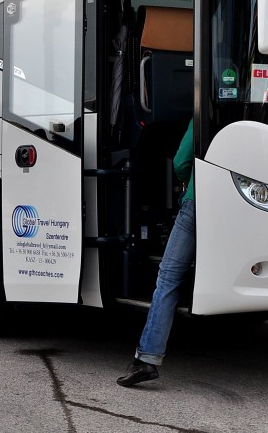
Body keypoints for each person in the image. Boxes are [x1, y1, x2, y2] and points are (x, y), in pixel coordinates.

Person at [117, 119, 196, 387]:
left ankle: (148, 359)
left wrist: (188, 185)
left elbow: (181, 161)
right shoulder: (254, 116)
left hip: (197, 203)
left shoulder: (205, 115)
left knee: (168, 277)